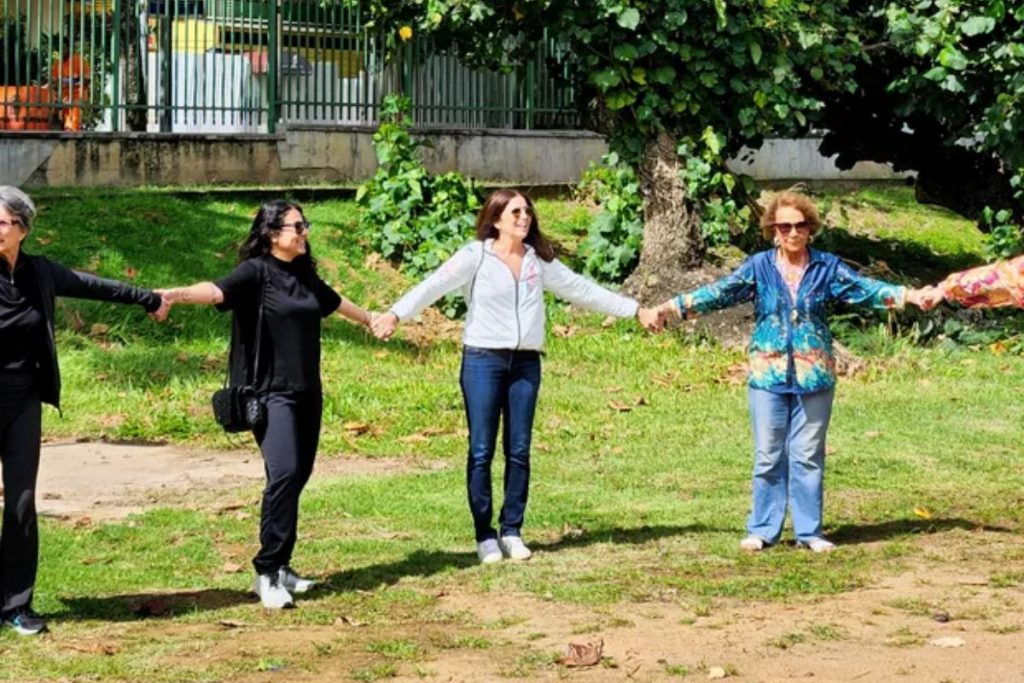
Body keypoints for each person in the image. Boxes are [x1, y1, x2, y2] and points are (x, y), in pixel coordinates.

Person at [371, 189, 662, 564]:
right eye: (515, 212)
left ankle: (512, 530)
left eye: (527, 211)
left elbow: (582, 290)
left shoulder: (537, 260)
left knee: (519, 450)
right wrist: (395, 314)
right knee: (481, 450)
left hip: (526, 363)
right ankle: (485, 536)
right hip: (482, 361)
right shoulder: (474, 257)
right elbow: (432, 286)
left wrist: (634, 310)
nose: (524, 217)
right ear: (495, 220)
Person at [655, 191, 932, 553]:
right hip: (767, 373)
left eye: (800, 226)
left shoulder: (827, 267)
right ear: (773, 230)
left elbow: (865, 290)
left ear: (810, 229)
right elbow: (719, 293)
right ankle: (763, 529)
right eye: (784, 226)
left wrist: (909, 296)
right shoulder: (758, 267)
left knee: (807, 453)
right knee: (768, 453)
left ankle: (809, 531)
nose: (792, 233)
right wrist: (671, 308)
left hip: (814, 373)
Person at [155, 200, 374, 609]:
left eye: (305, 224)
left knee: (297, 476)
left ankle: (284, 565)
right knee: (285, 472)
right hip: (270, 394)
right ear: (273, 233)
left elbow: (335, 302)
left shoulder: (305, 276)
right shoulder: (256, 273)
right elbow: (217, 290)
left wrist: (371, 319)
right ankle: (267, 571)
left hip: (308, 391)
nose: (304, 231)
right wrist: (177, 294)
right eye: (297, 226)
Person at [0, 186, 167, 635]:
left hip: (22, 401)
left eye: (1, 222)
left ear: (23, 229)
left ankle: (16, 604)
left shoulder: (40, 273)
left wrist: (148, 297)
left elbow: (92, 284)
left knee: (20, 503)